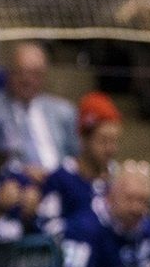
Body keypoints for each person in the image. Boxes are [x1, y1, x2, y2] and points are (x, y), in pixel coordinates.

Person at [60, 160, 150, 267]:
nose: (136, 208)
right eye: (130, 199)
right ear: (110, 196)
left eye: (143, 201)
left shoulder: (149, 232)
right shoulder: (83, 230)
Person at [0, 42, 79, 175]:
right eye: (21, 72)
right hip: (15, 181)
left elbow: (76, 156)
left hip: (59, 181)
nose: (27, 80)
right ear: (9, 73)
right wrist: (21, 172)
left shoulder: (63, 111)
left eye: (35, 74)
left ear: (44, 76)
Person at [38, 91, 123, 229]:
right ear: (83, 139)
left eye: (114, 141)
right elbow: (47, 227)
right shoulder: (62, 179)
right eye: (103, 141)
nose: (110, 149)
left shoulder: (118, 178)